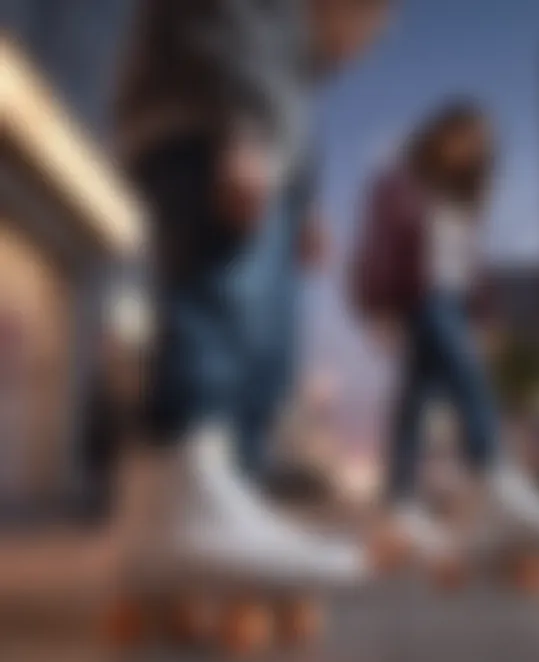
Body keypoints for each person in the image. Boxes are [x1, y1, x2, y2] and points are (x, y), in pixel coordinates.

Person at [113, 0, 394, 598]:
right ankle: (179, 492)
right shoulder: (275, 29)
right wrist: (240, 128)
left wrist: (307, 202)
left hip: (258, 138)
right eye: (365, 26)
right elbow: (226, 20)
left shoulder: (296, 58)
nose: (361, 49)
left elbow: (295, 113)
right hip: (207, 116)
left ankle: (225, 503)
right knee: (219, 299)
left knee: (267, 347)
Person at [353, 100, 539, 567]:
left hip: (453, 300)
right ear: (441, 134)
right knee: (469, 381)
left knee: (413, 402)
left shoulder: (463, 198)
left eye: (483, 145)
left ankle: (398, 508)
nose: (474, 150)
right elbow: (381, 246)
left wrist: (487, 320)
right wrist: (377, 307)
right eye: (467, 137)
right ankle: (494, 481)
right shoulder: (399, 182)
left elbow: (474, 271)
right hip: (422, 298)